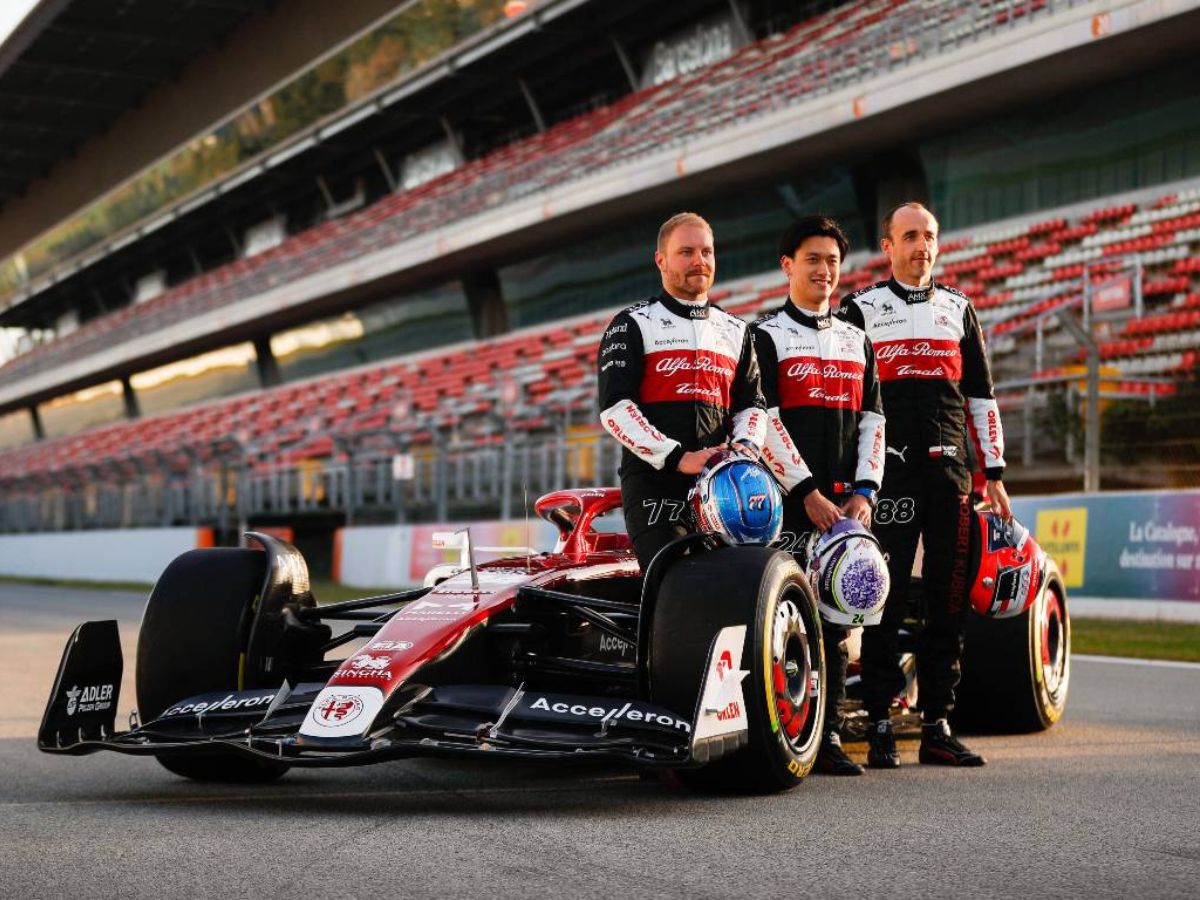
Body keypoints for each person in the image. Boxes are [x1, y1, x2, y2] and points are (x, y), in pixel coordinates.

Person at [837, 201, 1011, 768]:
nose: (923, 246)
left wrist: (996, 473)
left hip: (951, 479)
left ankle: (936, 721)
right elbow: (850, 403)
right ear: (887, 247)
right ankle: (883, 720)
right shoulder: (858, 309)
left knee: (948, 601)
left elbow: (981, 397)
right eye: (910, 236)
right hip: (887, 479)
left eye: (930, 235)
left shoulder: (960, 308)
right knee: (879, 601)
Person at [754, 215, 885, 776]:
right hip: (786, 505)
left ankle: (826, 734)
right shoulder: (763, 336)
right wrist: (804, 490)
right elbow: (764, 421)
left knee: (836, 623)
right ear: (788, 265)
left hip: (845, 508)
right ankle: (781, 728)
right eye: (813, 259)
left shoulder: (858, 339)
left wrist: (866, 492)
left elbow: (874, 420)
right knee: (784, 618)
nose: (824, 271)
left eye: (832, 260)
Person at [597, 212, 767, 571]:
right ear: (661, 260)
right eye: (686, 252)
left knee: (729, 589)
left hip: (726, 486)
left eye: (707, 252)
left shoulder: (737, 329)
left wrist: (745, 448)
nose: (699, 261)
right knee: (674, 588)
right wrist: (677, 457)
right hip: (656, 486)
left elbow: (752, 405)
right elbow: (615, 409)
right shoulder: (631, 324)